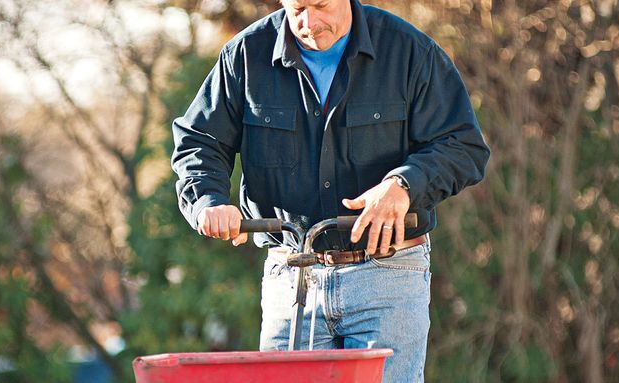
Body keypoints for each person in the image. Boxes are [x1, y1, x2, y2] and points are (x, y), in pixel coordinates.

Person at [172, 0, 490, 381]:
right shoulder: (245, 55)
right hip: (292, 277)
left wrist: (403, 185)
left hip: (387, 275)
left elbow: (463, 145)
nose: (309, 22)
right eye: (298, 8)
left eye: (320, 5)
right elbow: (198, 142)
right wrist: (208, 200)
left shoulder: (408, 51)